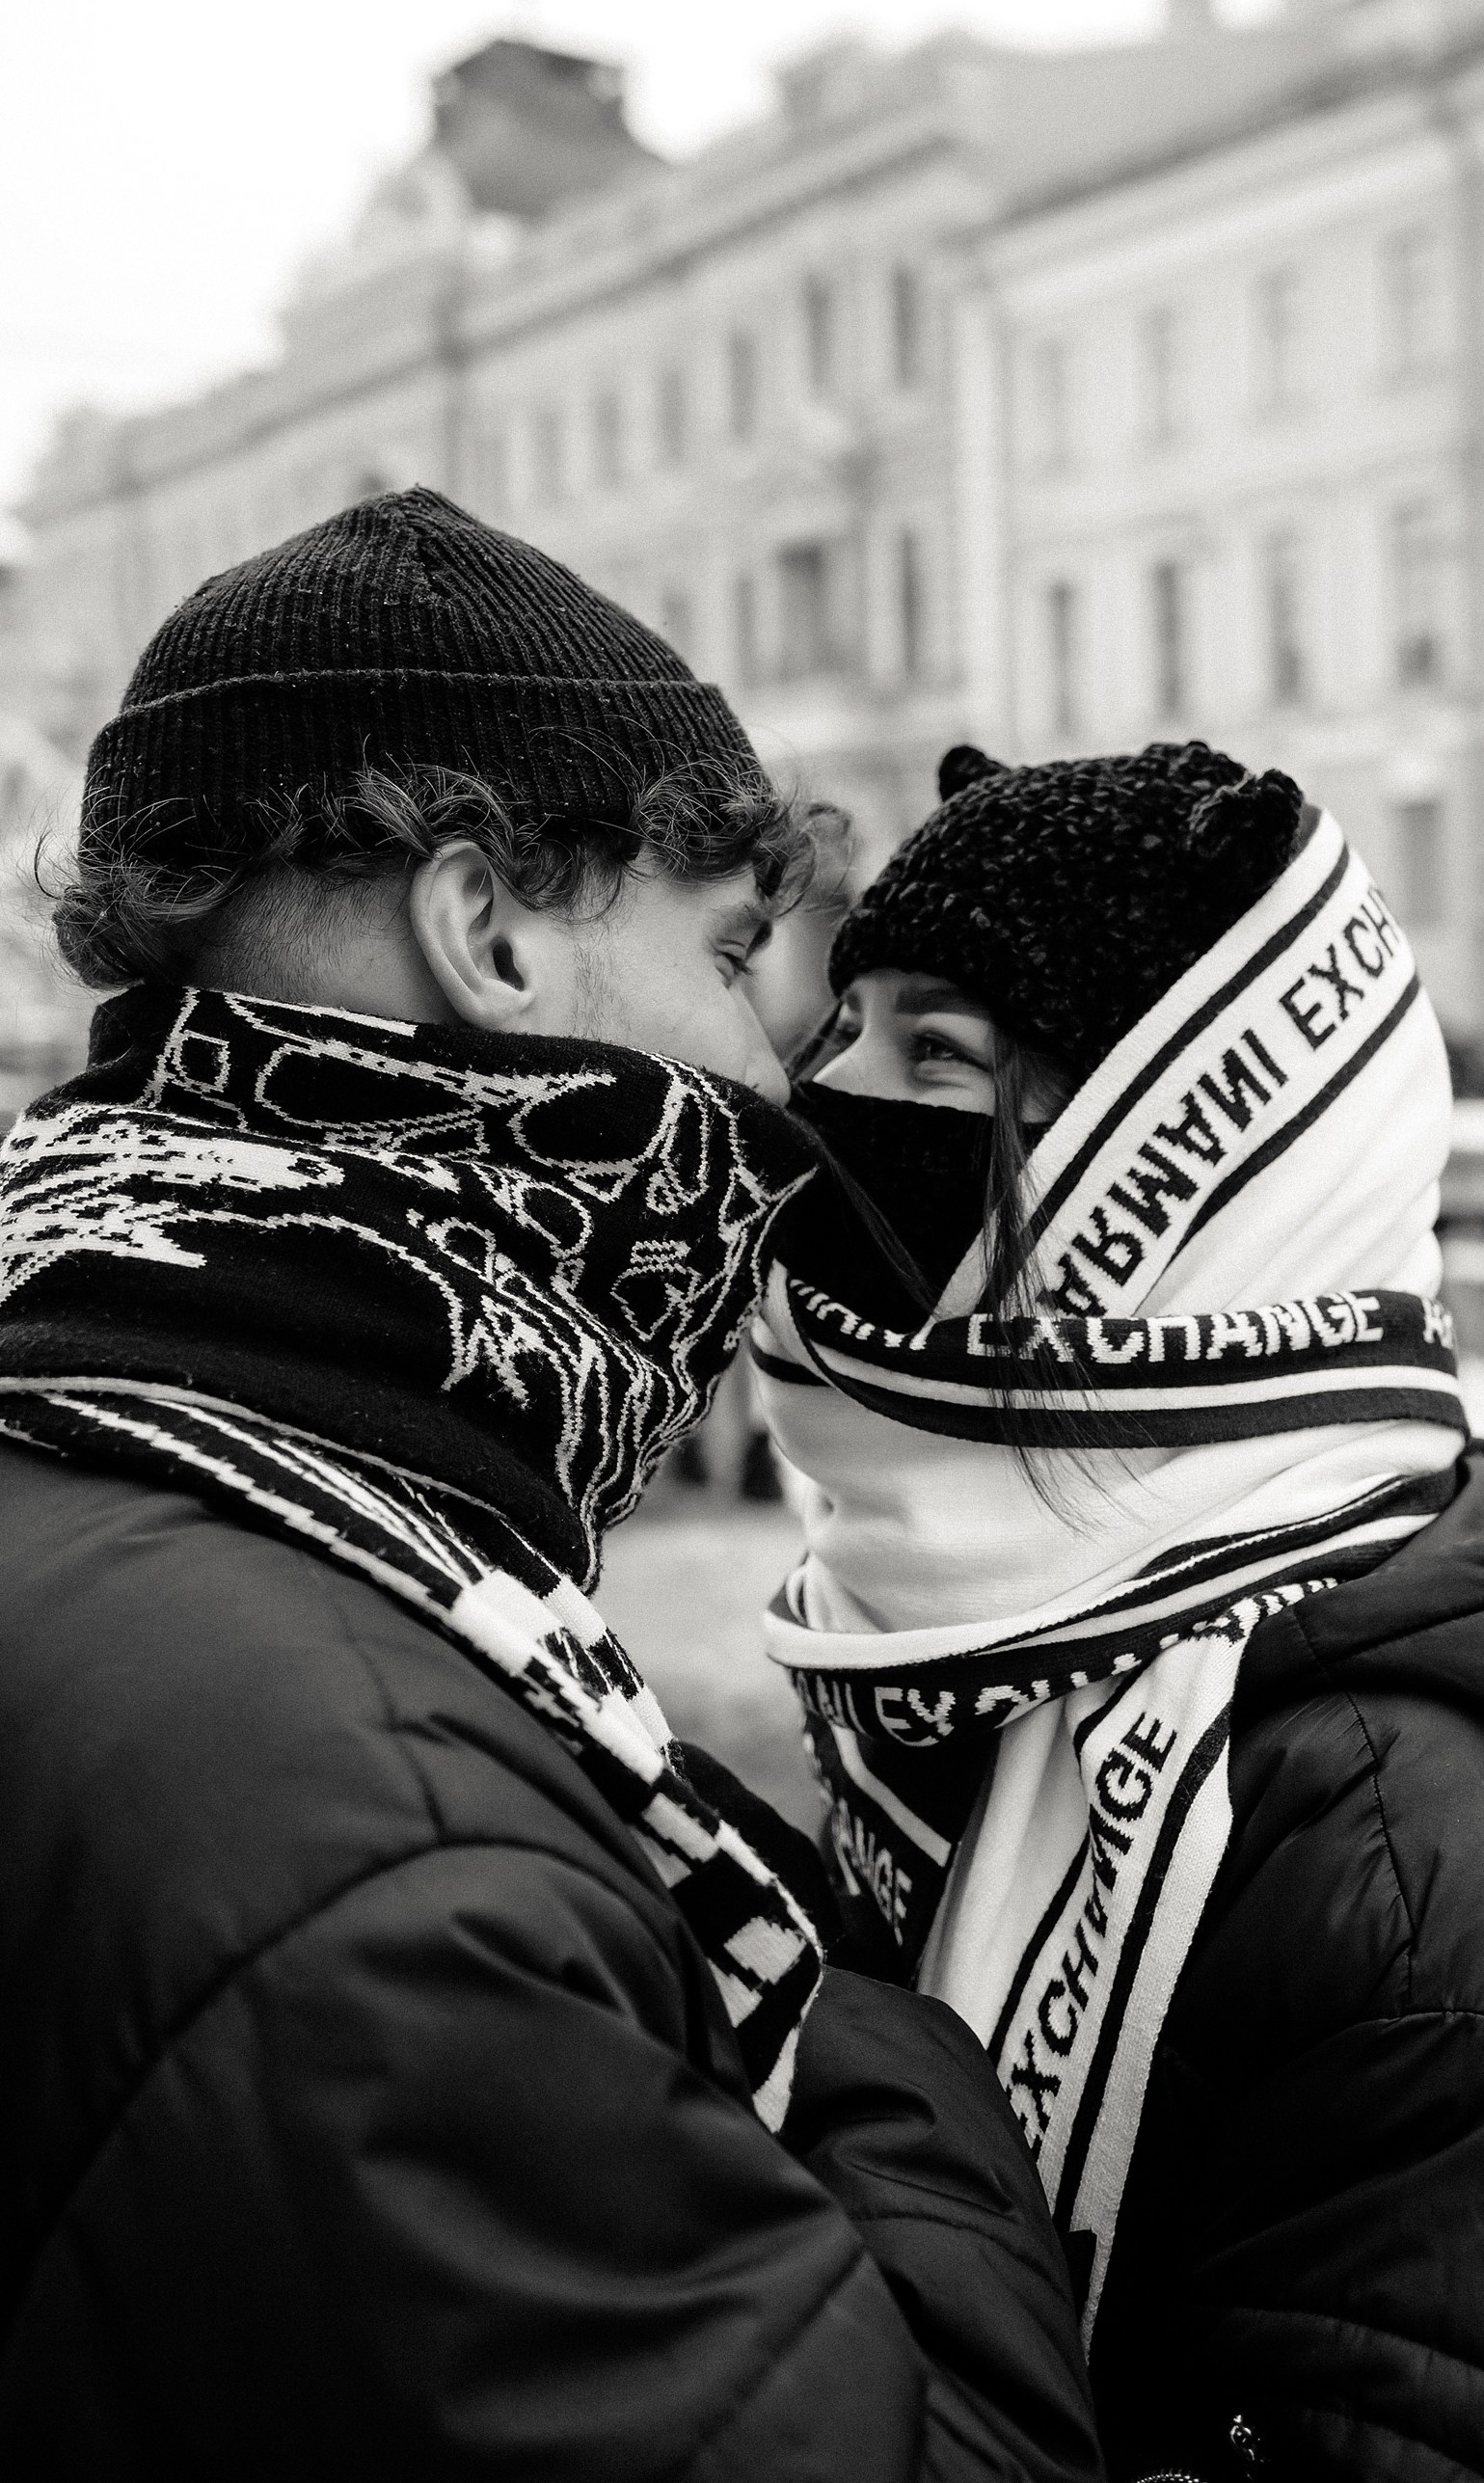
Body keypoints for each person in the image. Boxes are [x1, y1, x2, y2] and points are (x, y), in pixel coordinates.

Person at [0, 491, 1102, 2483]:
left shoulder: (102, 1418)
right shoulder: (383, 1820)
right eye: (735, 948)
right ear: (491, 929)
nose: (775, 1086)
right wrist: (861, 2005)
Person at [754, 738, 1484, 2483]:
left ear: (1172, 1195)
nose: (820, 1107)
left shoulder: (1404, 1888)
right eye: (843, 1031)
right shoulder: (1008, 1661)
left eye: (940, 1053)